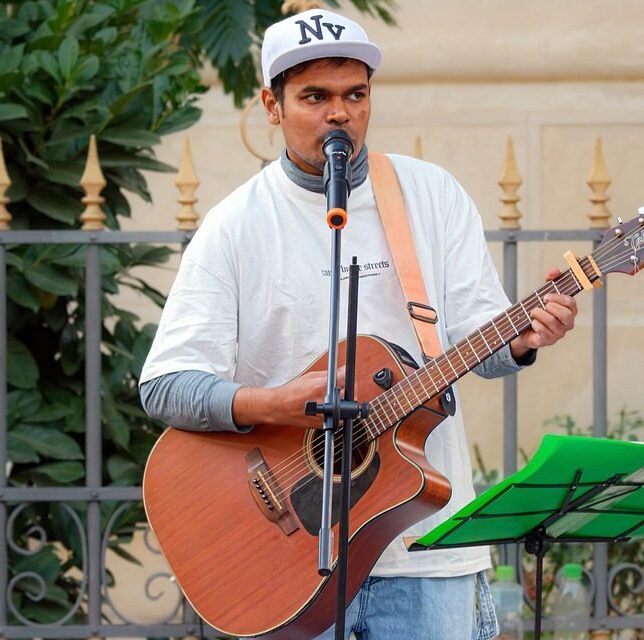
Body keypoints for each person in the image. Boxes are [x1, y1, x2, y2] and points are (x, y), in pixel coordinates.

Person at [139, 8, 578, 639]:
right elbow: (165, 386)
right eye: (314, 97)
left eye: (355, 95)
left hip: (428, 554)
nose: (338, 114)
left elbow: (481, 344)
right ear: (271, 104)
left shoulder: (430, 195)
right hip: (285, 565)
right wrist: (278, 404)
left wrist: (524, 339)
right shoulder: (235, 227)